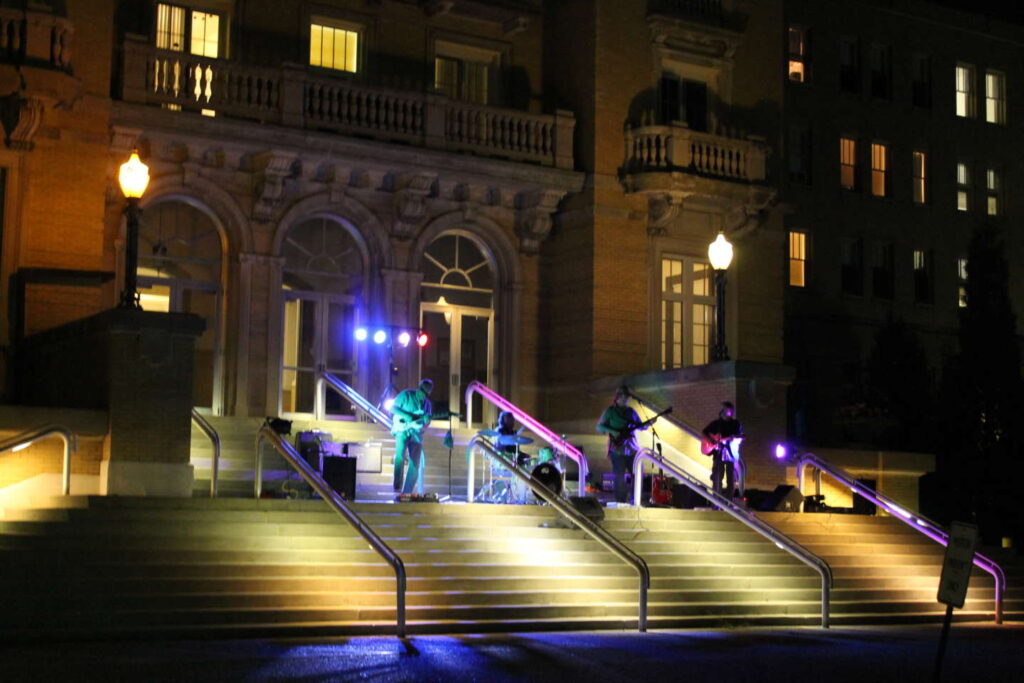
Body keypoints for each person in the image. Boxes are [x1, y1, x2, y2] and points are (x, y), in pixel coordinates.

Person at [597, 386, 648, 504]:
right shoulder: (610, 411)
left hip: (632, 449)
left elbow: (640, 426)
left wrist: (647, 424)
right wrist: (613, 431)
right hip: (617, 449)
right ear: (618, 397)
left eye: (627, 397)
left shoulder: (631, 412)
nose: (626, 399)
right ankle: (620, 501)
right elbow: (599, 426)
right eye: (624, 397)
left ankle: (635, 499)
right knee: (619, 477)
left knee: (638, 473)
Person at [390, 378, 434, 496]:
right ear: (418, 388)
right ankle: (397, 486)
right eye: (421, 391)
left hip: (416, 433)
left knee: (415, 462)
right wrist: (406, 415)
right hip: (402, 430)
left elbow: (426, 422)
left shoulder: (427, 405)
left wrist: (425, 422)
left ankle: (407, 492)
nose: (422, 395)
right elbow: (392, 408)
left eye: (426, 394)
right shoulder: (405, 395)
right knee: (400, 456)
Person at [702, 401, 744, 499]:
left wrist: (733, 438)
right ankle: (716, 502)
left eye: (732, 410)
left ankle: (728, 502)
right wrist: (711, 441)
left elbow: (741, 436)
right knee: (717, 479)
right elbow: (704, 432)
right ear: (724, 411)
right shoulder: (717, 423)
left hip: (730, 455)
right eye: (728, 410)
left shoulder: (736, 424)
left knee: (731, 479)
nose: (731, 412)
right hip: (718, 455)